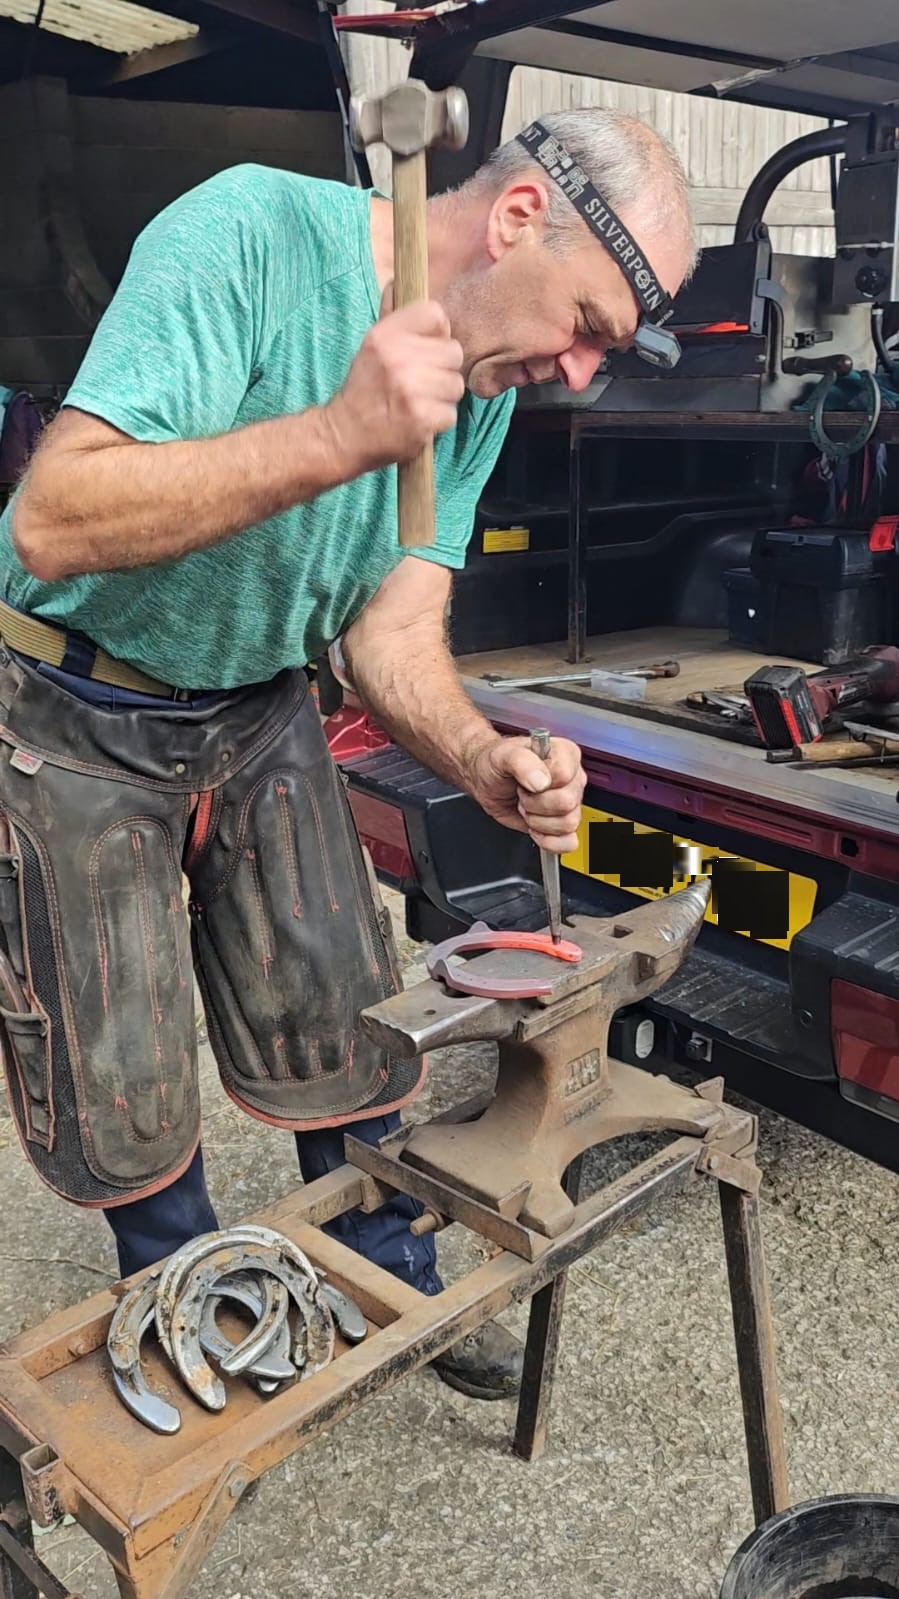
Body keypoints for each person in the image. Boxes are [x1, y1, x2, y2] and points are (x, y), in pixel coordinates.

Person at [0, 107, 694, 1401]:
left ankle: (389, 1278)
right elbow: (53, 517)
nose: (582, 371)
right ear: (520, 217)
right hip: (71, 707)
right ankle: (200, 1319)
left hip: (259, 699)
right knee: (122, 1066)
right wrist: (342, 430)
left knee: (340, 1011)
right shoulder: (247, 237)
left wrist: (485, 760)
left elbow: (392, 631)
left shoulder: (474, 387)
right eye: (590, 326)